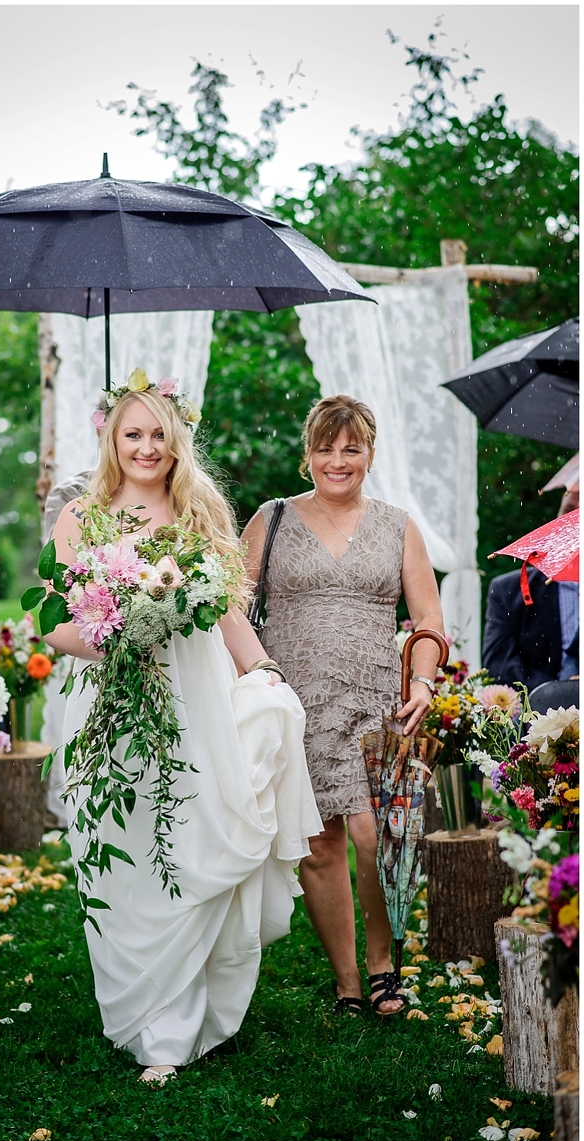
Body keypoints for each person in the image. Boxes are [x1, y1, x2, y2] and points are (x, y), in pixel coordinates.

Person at [45, 374, 322, 1084]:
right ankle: (143, 1013)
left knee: (190, 834)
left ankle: (187, 1015)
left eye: (158, 434)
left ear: (177, 440)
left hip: (191, 695)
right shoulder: (82, 515)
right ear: (111, 437)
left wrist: (263, 668)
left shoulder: (199, 509)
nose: (145, 447)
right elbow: (54, 626)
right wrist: (117, 631)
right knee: (124, 846)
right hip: (110, 702)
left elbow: (227, 610)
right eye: (132, 434)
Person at [242, 394, 445, 1017]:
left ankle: (384, 963)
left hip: (375, 701)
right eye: (326, 448)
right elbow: (227, 608)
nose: (338, 459)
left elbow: (429, 620)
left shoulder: (397, 524)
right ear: (308, 455)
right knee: (320, 841)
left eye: (351, 448)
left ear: (370, 454)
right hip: (292, 701)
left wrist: (422, 683)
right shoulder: (270, 519)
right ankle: (349, 978)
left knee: (373, 832)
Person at [483, 487, 579, 690]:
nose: (575, 522)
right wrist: (558, 690)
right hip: (537, 714)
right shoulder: (509, 591)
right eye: (569, 511)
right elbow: (499, 666)